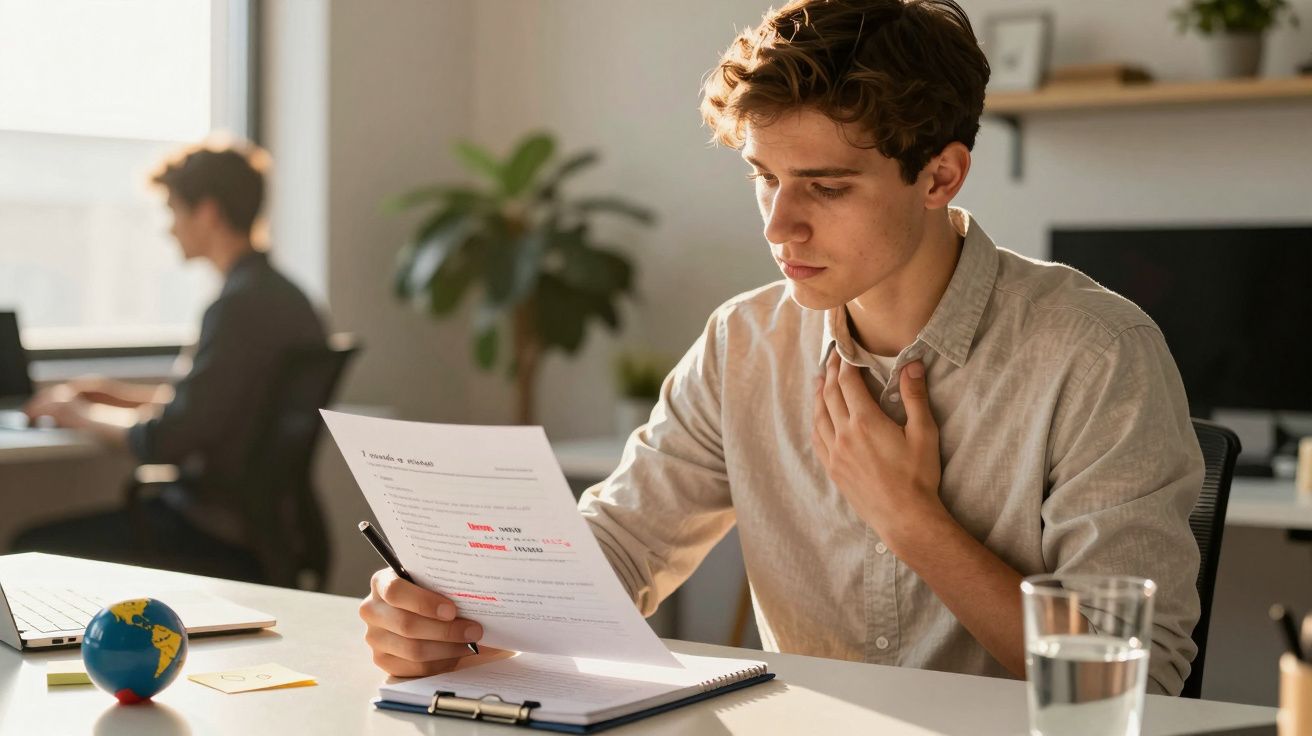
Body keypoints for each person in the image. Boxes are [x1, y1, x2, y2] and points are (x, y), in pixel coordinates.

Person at [358, 0, 1204, 695]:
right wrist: (456, 619)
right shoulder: (744, 342)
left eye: (826, 187)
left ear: (941, 177)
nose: (777, 224)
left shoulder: (1097, 355)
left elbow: (1136, 687)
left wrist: (912, 521)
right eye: (764, 176)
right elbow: (619, 549)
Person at [14, 141, 326, 582]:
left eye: (174, 211)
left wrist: (78, 414)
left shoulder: (238, 307)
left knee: (30, 547)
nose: (169, 228)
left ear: (208, 213)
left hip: (211, 528)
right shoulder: (286, 298)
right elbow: (220, 405)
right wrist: (114, 396)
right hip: (263, 526)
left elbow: (163, 440)